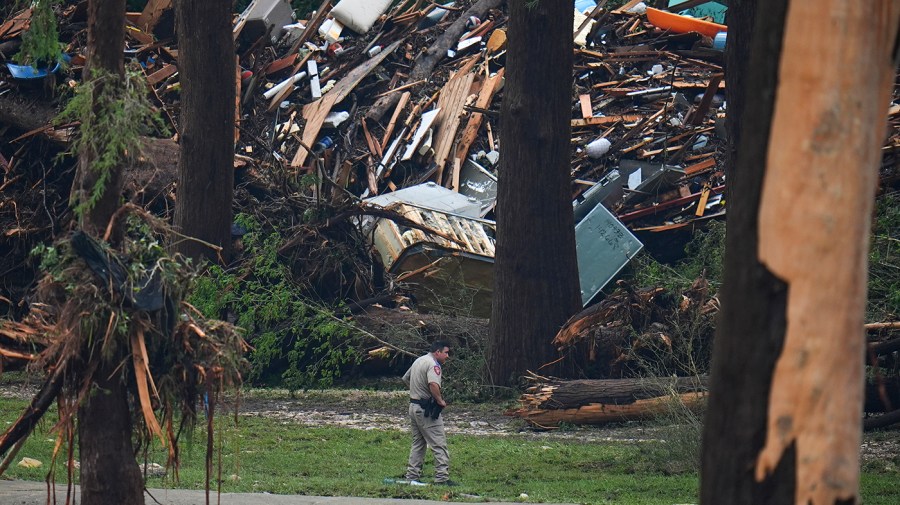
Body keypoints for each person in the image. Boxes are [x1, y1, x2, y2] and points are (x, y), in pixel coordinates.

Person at [402, 340, 456, 485]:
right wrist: (439, 400)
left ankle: (412, 476)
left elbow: (405, 378)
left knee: (418, 443)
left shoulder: (419, 360)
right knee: (439, 443)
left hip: (413, 406)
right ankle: (442, 478)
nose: (447, 356)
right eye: (446, 352)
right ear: (437, 352)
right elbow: (433, 384)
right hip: (426, 409)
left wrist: (416, 391)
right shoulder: (433, 364)